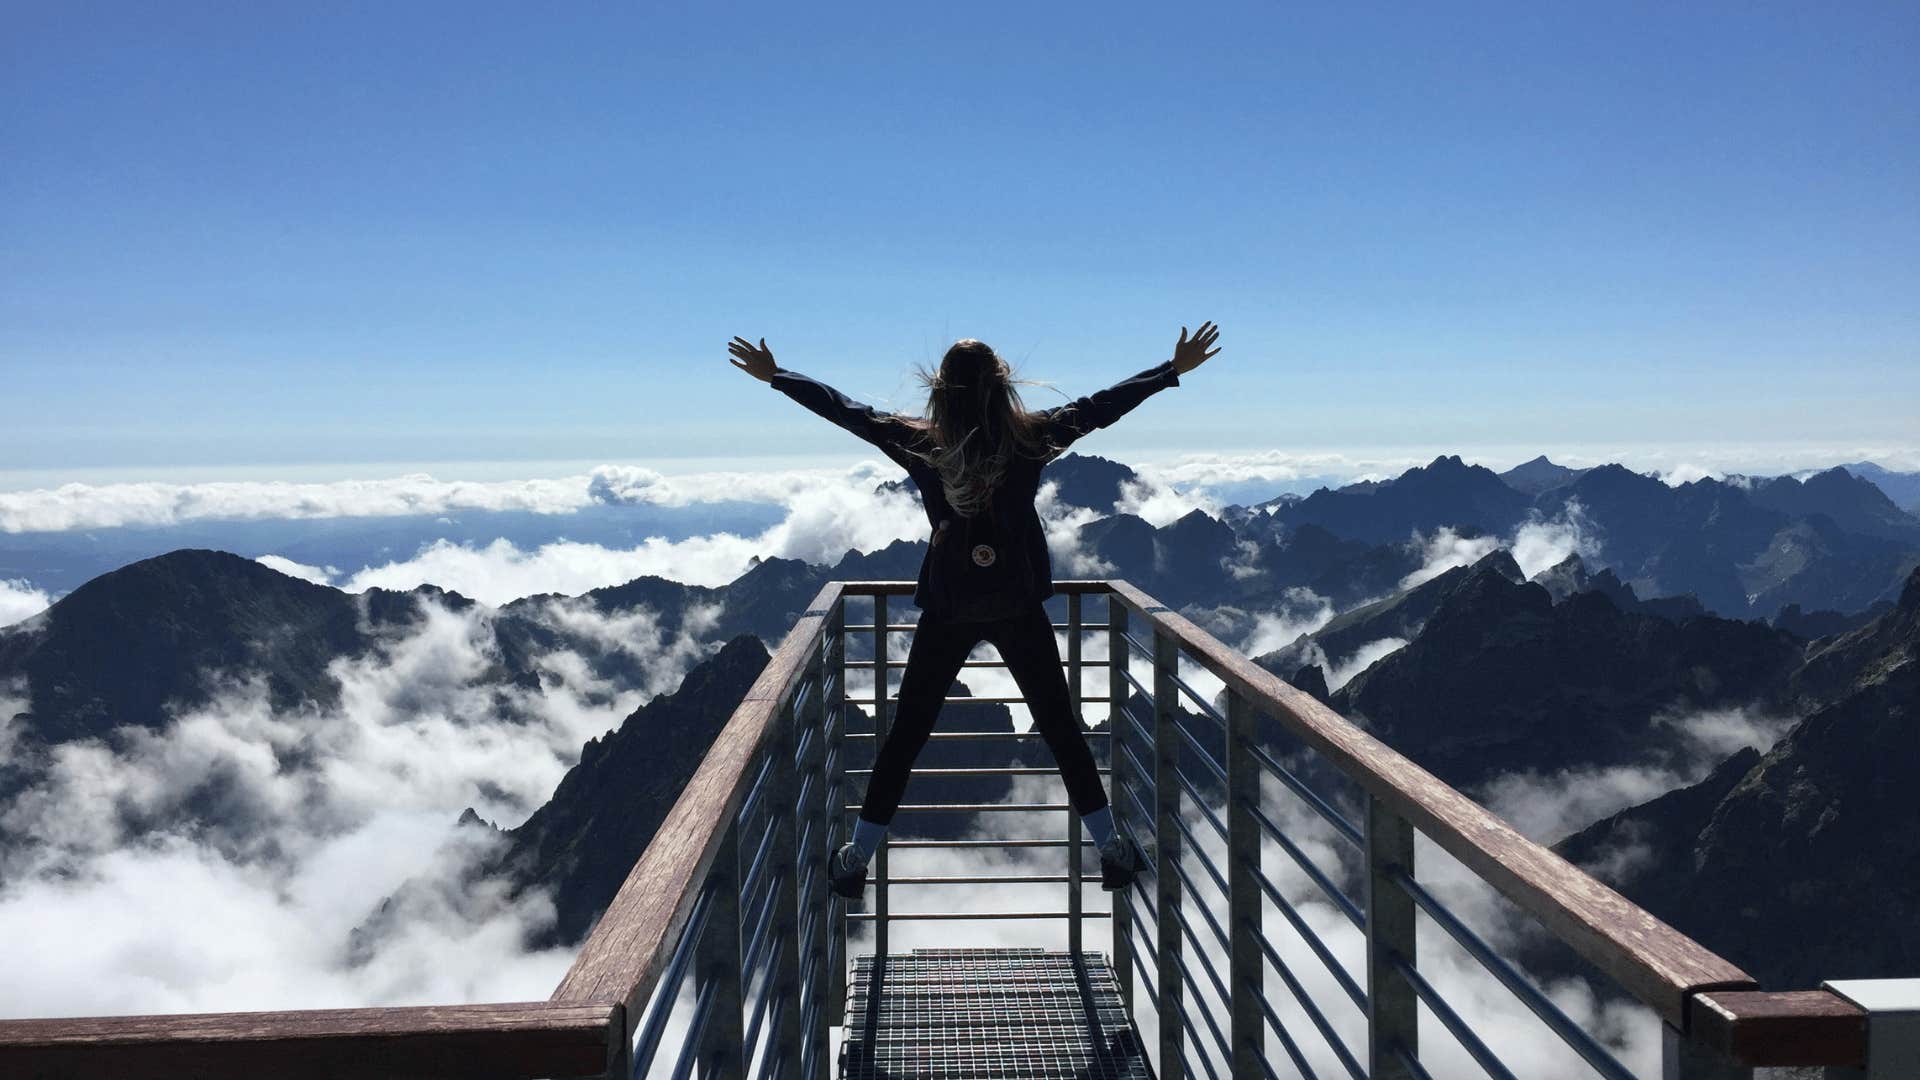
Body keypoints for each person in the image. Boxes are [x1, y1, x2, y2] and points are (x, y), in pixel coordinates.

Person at [727, 323, 1221, 899]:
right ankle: (1111, 847)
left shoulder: (920, 442)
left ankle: (857, 857)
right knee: (1061, 727)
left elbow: (848, 412)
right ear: (1002, 383)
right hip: (1015, 602)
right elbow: (1101, 407)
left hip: (950, 603)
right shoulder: (1031, 438)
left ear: (940, 389)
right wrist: (1170, 370)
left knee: (907, 732)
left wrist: (779, 377)